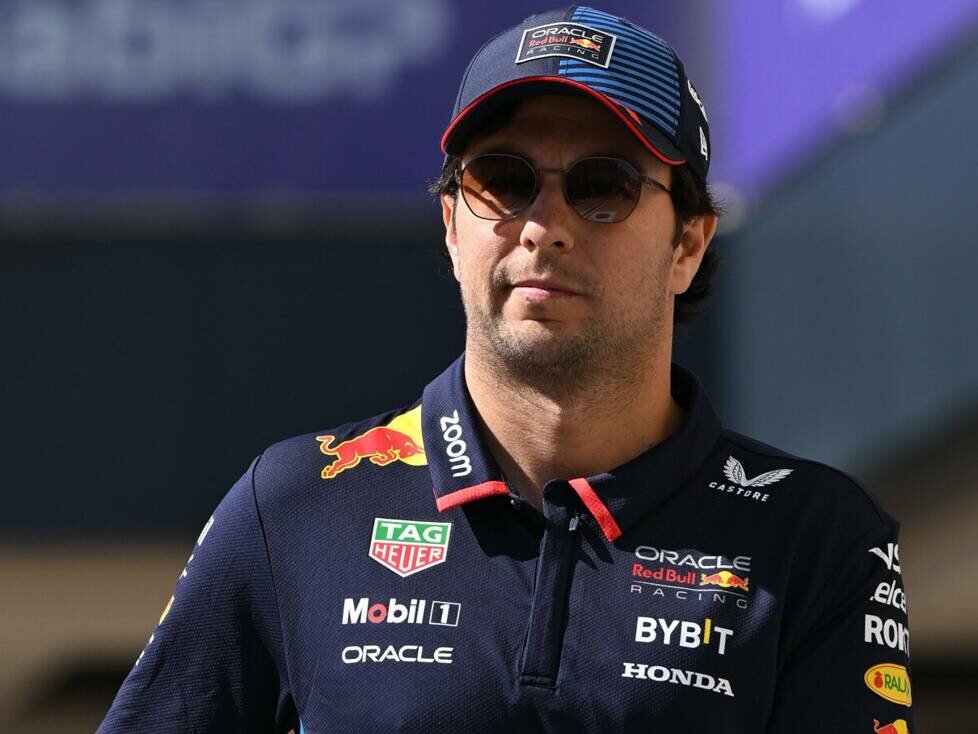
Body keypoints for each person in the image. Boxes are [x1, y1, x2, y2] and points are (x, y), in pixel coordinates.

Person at [97, 6, 914, 733]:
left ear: (688, 245)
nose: (542, 225)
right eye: (502, 181)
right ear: (452, 225)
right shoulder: (296, 506)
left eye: (603, 186)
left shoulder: (815, 535)